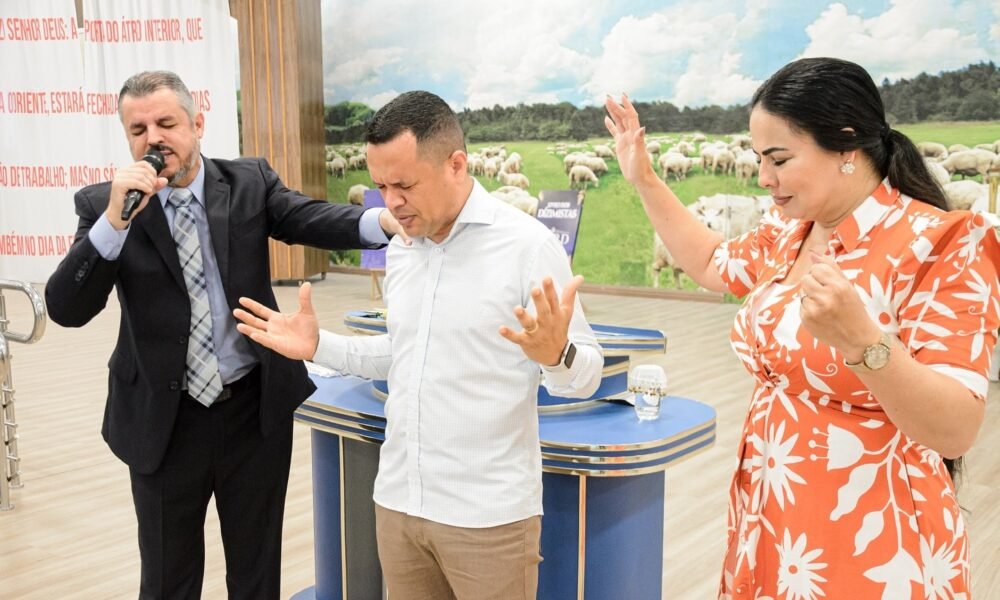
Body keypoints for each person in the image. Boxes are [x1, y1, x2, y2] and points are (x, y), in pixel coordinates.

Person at [605, 57, 1000, 598]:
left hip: (874, 532)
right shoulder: (789, 231)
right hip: (773, 512)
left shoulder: (944, 243)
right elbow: (713, 263)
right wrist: (644, 177)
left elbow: (955, 429)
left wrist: (864, 342)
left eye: (779, 159)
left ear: (845, 146)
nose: (763, 178)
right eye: (758, 160)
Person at [44, 70, 406, 599]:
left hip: (251, 415)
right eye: (138, 130)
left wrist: (386, 223)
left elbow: (310, 218)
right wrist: (114, 224)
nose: (153, 139)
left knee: (256, 573)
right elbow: (66, 308)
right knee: (168, 580)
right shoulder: (105, 206)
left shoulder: (247, 183)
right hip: (163, 423)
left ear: (197, 124)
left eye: (166, 123)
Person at [233, 90, 604, 600]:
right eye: (381, 186)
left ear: (457, 165)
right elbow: (406, 354)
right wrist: (320, 346)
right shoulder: (403, 248)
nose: (391, 203)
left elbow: (585, 376)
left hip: (487, 519)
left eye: (405, 185)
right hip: (399, 504)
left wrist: (557, 357)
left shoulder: (527, 245)